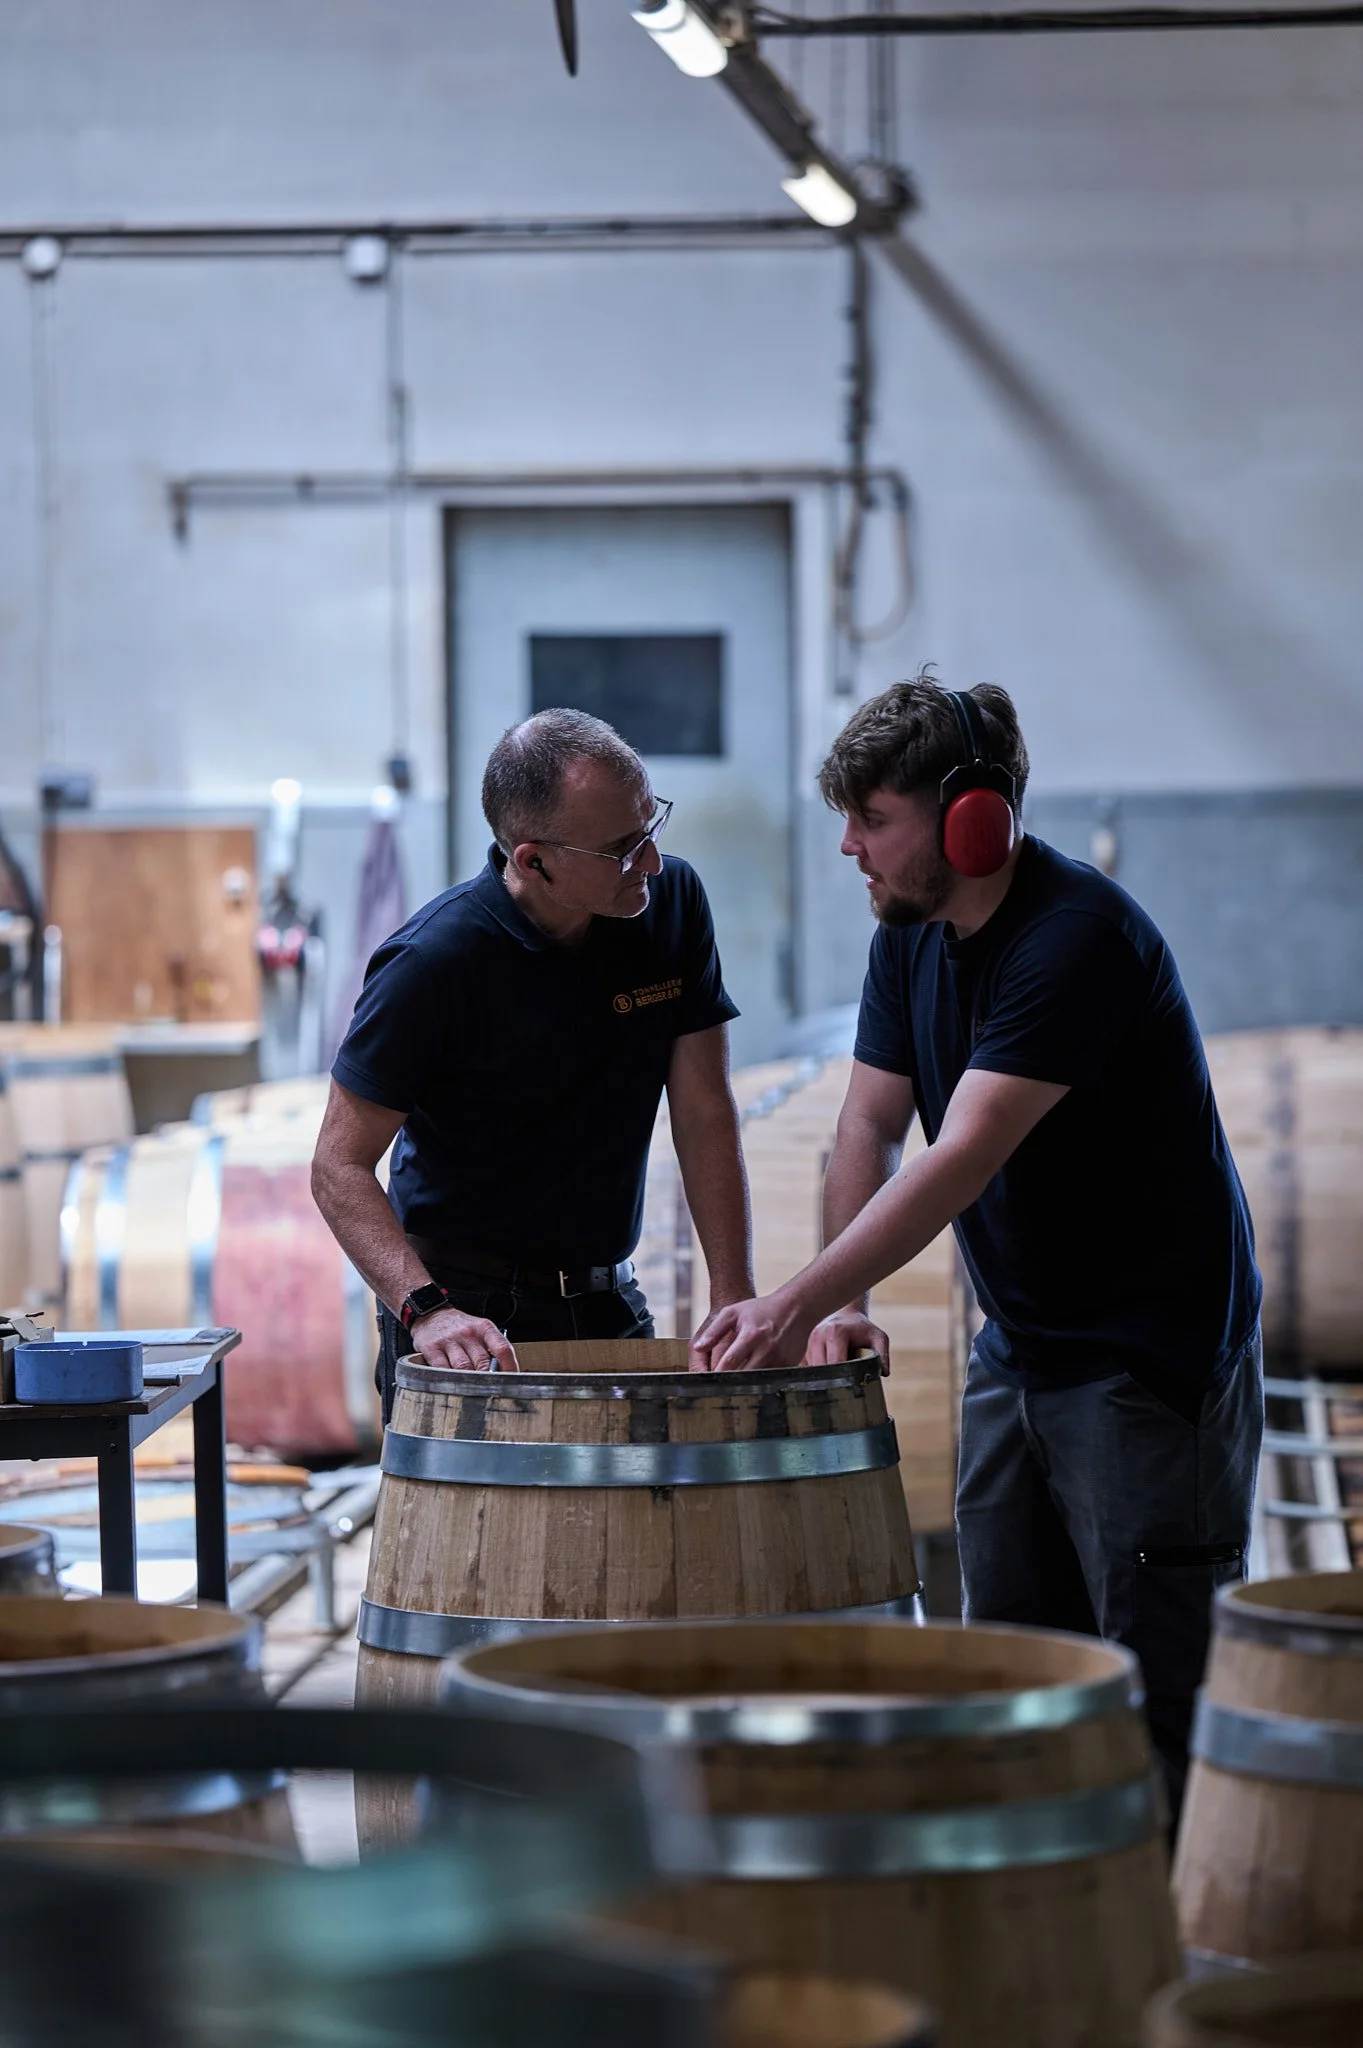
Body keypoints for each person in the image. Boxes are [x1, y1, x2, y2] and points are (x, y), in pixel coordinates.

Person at [690, 673, 1263, 1815]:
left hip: (1144, 1359)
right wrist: (845, 1298)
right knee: (1007, 1672)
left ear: (973, 817)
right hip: (1023, 1346)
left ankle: (1161, 1963)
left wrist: (795, 1302)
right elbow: (869, 1121)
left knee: (1154, 1690)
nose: (848, 844)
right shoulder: (909, 930)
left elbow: (960, 1155)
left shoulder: (1075, 939)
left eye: (872, 818)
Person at [313, 707, 753, 1418]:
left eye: (651, 828)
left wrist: (733, 1294)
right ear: (533, 860)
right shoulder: (431, 964)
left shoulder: (670, 904)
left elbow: (703, 1111)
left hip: (606, 1295)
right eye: (621, 848)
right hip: (466, 1312)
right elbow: (337, 1167)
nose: (649, 861)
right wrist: (426, 1312)